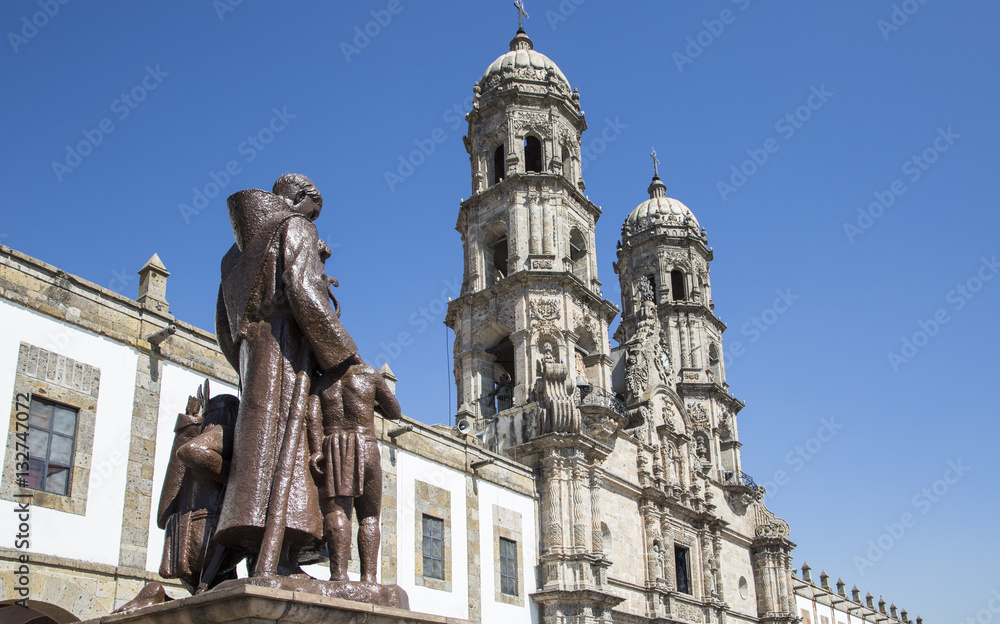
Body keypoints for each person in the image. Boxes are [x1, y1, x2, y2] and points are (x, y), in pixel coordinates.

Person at [214, 174, 357, 576]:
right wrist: (344, 357)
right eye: (313, 211)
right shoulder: (296, 227)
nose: (314, 220)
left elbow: (224, 326)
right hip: (286, 349)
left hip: (252, 352)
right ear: (296, 197)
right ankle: (285, 554)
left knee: (257, 448)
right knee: (289, 450)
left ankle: (256, 543)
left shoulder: (234, 256)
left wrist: (246, 354)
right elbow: (301, 289)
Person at [308, 358, 402, 583]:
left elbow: (311, 418)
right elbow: (395, 411)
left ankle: (338, 575)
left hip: (333, 447)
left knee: (336, 512)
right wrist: (369, 403)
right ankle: (369, 578)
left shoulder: (320, 384)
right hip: (366, 444)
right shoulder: (369, 374)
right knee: (369, 515)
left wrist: (315, 451)